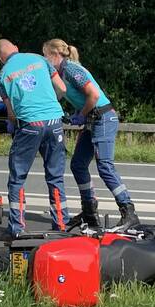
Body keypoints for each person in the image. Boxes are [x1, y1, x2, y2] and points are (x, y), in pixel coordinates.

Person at [42, 39, 140, 231]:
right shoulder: (61, 74)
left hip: (103, 118)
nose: (45, 60)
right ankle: (89, 212)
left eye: (45, 56)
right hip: (92, 120)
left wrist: (81, 115)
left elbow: (93, 95)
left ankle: (128, 211)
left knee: (105, 166)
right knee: (78, 165)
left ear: (55, 54)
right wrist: (77, 114)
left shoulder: (71, 69)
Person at [0, 38, 71, 238]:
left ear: (0, 58)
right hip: (54, 121)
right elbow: (62, 88)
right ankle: (61, 225)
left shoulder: (3, 75)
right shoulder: (39, 59)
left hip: (30, 125)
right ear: (16, 48)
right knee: (55, 176)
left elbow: (11, 113)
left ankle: (17, 228)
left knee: (17, 178)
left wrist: (13, 124)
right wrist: (49, 103)